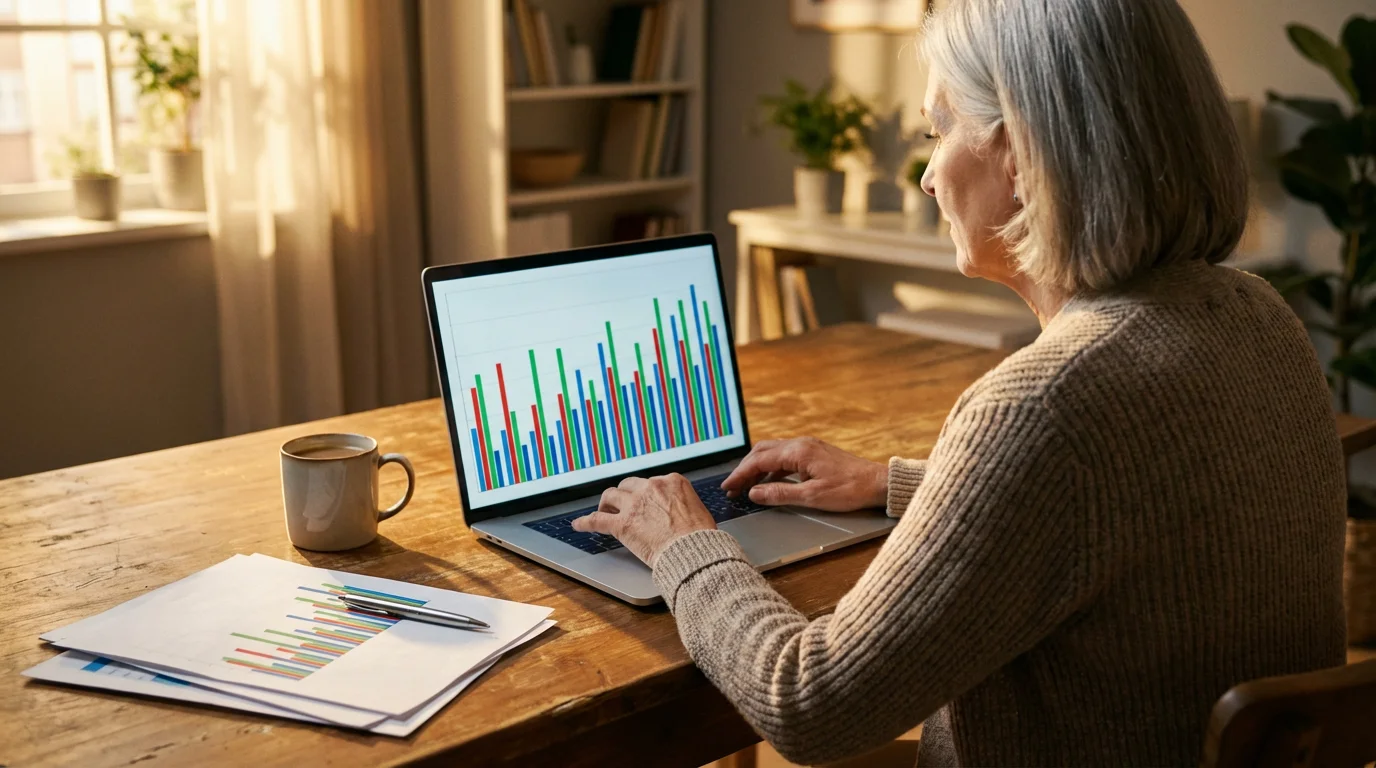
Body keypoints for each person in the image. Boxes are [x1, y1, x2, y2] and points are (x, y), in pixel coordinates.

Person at [573, 0, 1348, 763]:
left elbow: (811, 705)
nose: (927, 178)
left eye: (936, 131)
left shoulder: (1043, 407)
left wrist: (687, 546)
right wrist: (896, 482)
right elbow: (1124, 516)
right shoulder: (1259, 316)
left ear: (1018, 154)